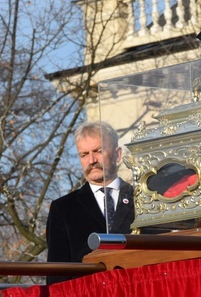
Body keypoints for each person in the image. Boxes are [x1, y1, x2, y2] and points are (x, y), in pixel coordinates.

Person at [46, 121, 135, 284]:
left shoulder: (142, 199)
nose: (92, 160)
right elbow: (57, 276)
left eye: (98, 151)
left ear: (118, 154)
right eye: (84, 154)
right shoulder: (63, 209)